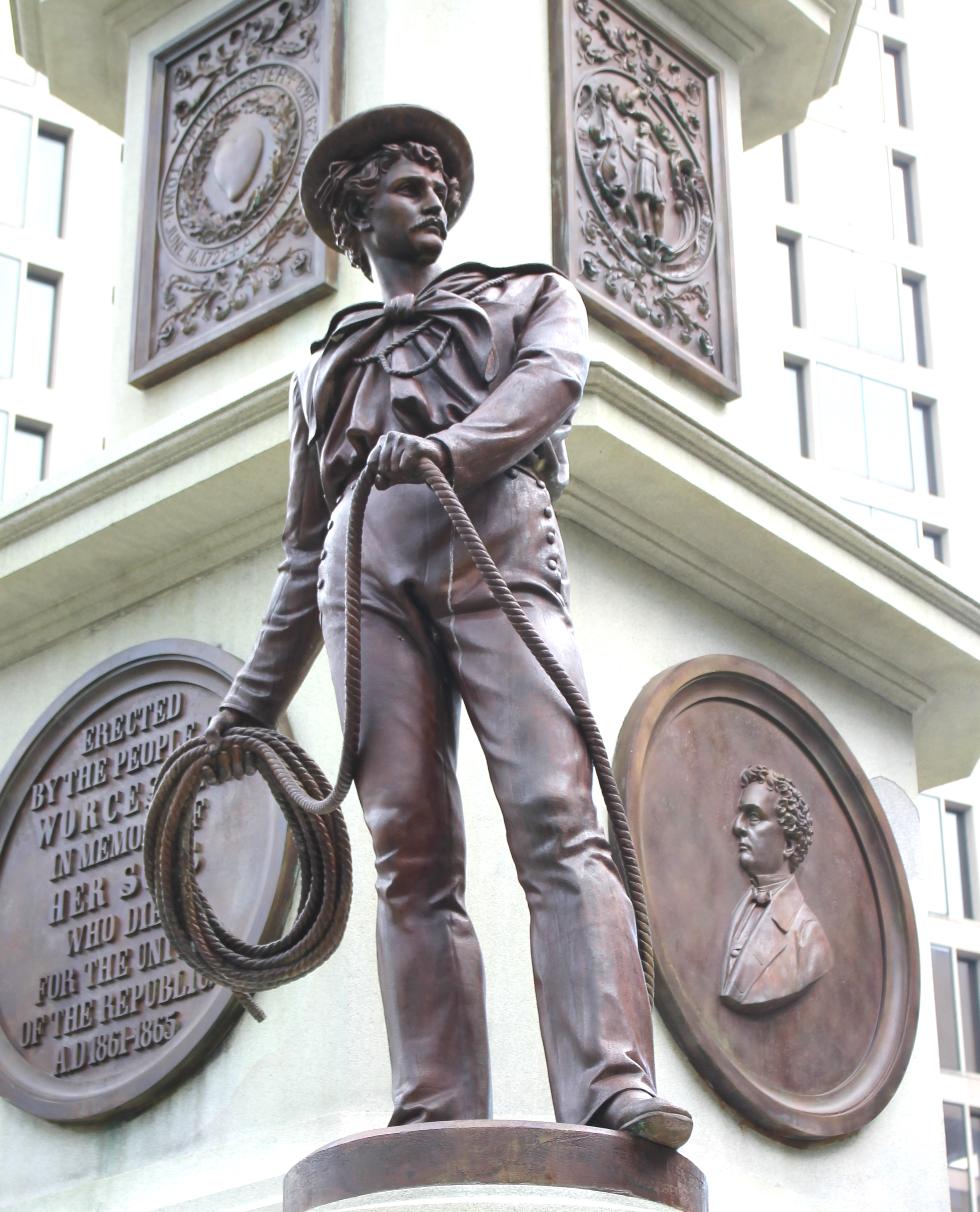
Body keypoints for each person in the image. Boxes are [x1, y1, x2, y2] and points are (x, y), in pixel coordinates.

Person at [205, 104, 692, 1147]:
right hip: (361, 572)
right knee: (406, 852)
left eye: (437, 183)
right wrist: (246, 707)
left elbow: (553, 380)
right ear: (352, 215)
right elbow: (304, 548)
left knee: (557, 817)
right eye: (401, 182)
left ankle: (609, 1086)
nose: (429, 194)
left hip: (493, 540)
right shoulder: (321, 368)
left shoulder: (526, 293)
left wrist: (452, 448)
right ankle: (435, 1103)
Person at [721, 765, 833, 1013]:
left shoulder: (808, 940)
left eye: (753, 817)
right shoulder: (738, 908)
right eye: (740, 815)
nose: (737, 826)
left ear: (790, 844)